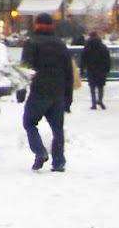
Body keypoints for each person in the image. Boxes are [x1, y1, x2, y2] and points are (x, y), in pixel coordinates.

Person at [20, 12, 73, 172]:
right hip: (58, 92)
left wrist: (21, 91)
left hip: (39, 91)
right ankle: (59, 162)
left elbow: (25, 69)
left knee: (29, 122)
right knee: (57, 129)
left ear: (36, 25)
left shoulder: (31, 43)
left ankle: (40, 151)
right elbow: (69, 72)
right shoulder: (60, 45)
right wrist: (68, 97)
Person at [81, 30, 113, 110]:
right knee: (100, 86)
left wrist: (82, 69)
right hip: (101, 69)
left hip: (91, 69)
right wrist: (107, 68)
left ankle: (93, 103)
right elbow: (107, 58)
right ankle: (100, 100)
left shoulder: (87, 47)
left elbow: (83, 59)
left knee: (92, 87)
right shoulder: (102, 46)